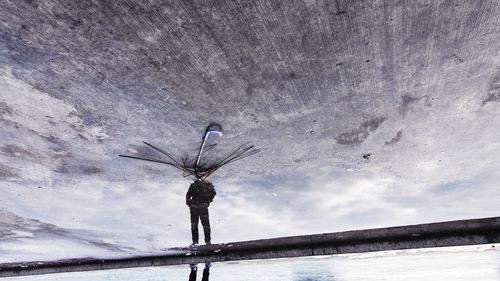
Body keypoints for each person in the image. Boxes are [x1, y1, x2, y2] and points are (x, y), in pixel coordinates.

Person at [186, 179, 216, 246]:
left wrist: (189, 203)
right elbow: (213, 193)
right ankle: (206, 242)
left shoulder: (194, 184)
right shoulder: (208, 185)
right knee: (204, 225)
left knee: (196, 225)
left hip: (196, 206)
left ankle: (196, 242)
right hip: (200, 207)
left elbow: (188, 195)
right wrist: (208, 201)